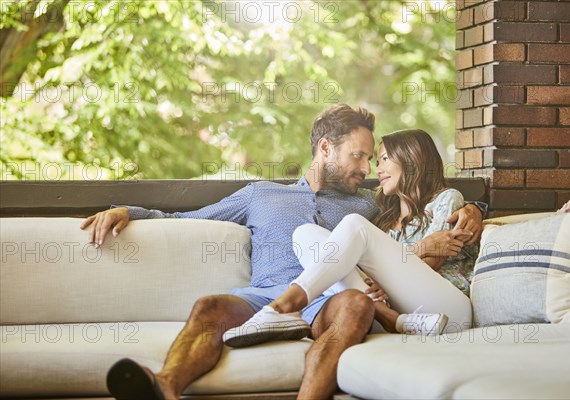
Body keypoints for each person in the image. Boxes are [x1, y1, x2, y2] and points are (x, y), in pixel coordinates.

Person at [81, 105, 484, 400]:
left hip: (330, 300)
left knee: (355, 306)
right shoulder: (260, 194)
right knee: (209, 307)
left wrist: (474, 211)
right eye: (358, 156)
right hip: (264, 297)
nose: (366, 167)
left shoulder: (370, 204)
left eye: (370, 158)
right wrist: (126, 211)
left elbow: (422, 210)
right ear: (325, 148)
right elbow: (186, 217)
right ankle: (165, 387)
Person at [223, 129, 479, 348]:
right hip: (410, 314)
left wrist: (475, 209)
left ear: (412, 159)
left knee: (354, 224)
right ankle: (392, 319)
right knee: (305, 235)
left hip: (449, 309)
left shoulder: (447, 199)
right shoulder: (384, 216)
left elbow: (432, 262)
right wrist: (396, 265)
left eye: (385, 159)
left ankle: (284, 305)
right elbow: (385, 270)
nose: (377, 170)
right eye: (377, 162)